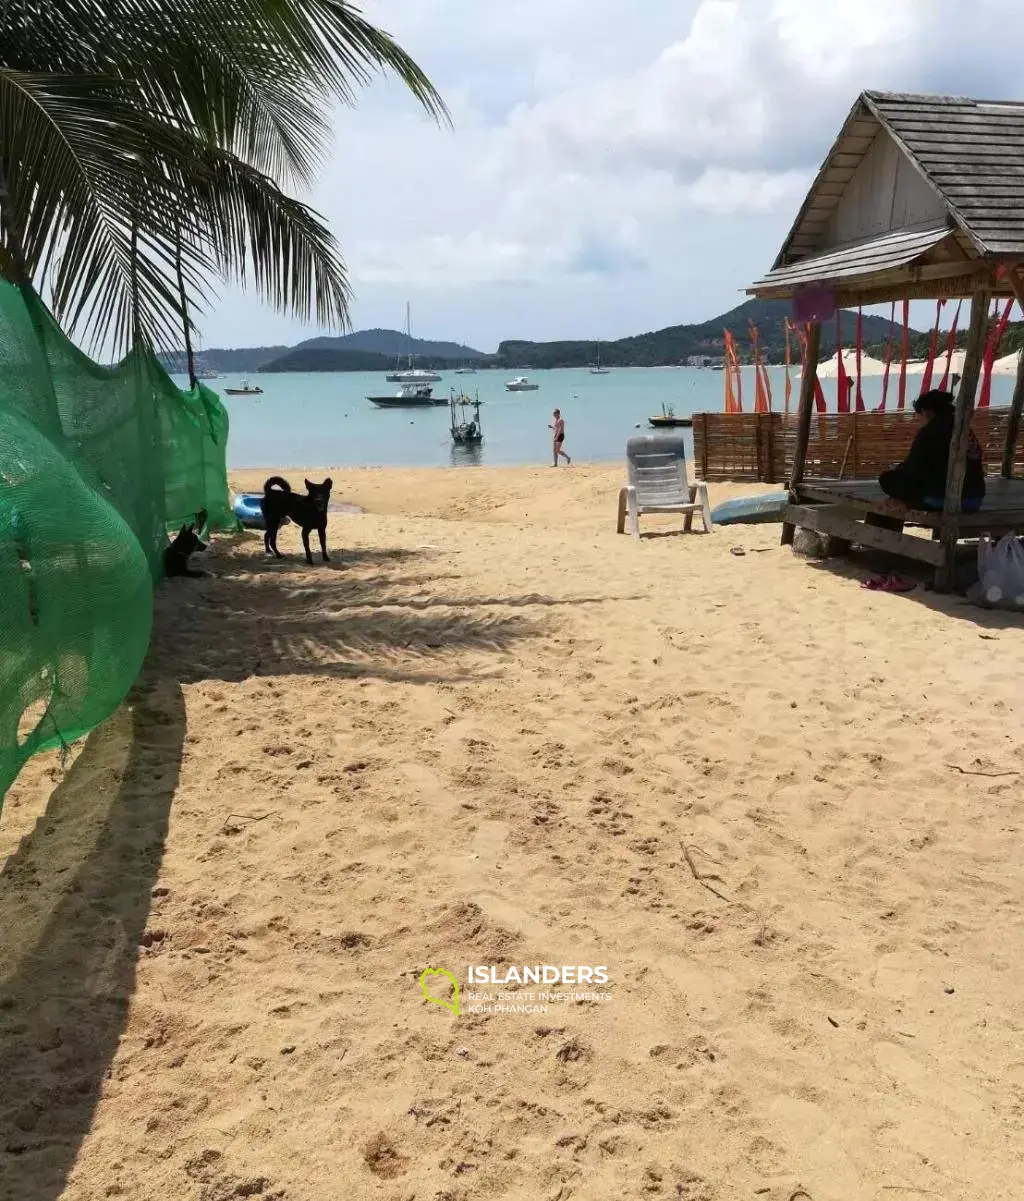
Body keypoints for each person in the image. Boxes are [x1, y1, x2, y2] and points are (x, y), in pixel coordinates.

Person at [878, 389, 984, 512]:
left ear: (925, 412)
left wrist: (899, 469)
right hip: (974, 499)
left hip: (942, 498)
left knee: (887, 479)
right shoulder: (965, 429)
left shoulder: (929, 431)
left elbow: (914, 468)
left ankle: (903, 501)